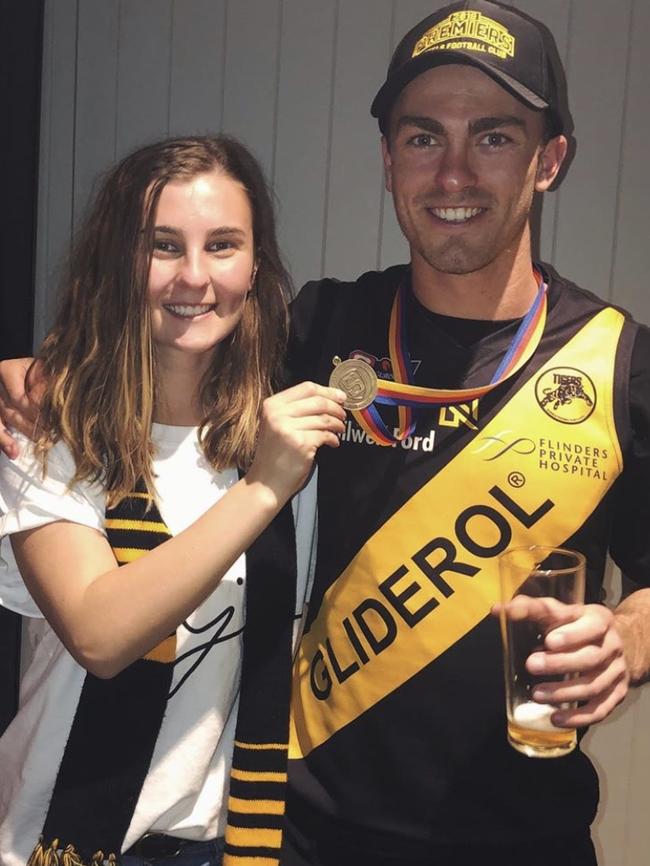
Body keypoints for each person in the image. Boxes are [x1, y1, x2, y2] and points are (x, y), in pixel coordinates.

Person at [3, 3, 650, 865]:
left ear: (549, 159)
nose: (453, 172)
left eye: (493, 137)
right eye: (423, 138)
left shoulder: (621, 363)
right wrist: (37, 374)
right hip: (298, 837)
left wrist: (632, 640)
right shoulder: (319, 331)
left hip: (526, 835)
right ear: (389, 161)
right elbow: (174, 344)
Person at [0, 135, 346, 866]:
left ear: (255, 267)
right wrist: (261, 489)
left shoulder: (289, 428)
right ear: (118, 262)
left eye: (223, 245)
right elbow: (100, 633)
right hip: (61, 843)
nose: (194, 276)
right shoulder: (49, 430)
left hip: (234, 845)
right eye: (162, 245)